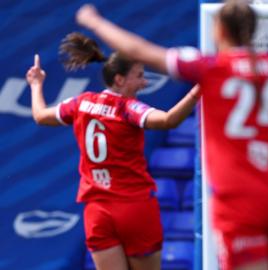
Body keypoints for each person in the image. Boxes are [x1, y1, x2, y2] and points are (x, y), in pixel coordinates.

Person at [76, 1, 268, 269]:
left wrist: (95, 21)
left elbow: (139, 50)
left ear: (218, 30)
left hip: (238, 196)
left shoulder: (211, 67)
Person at [25, 32, 200, 270]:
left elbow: (40, 116)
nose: (144, 82)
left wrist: (36, 84)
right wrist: (199, 88)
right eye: (139, 76)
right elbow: (168, 120)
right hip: (134, 208)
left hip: (98, 213)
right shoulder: (127, 108)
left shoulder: (81, 102)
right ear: (119, 80)